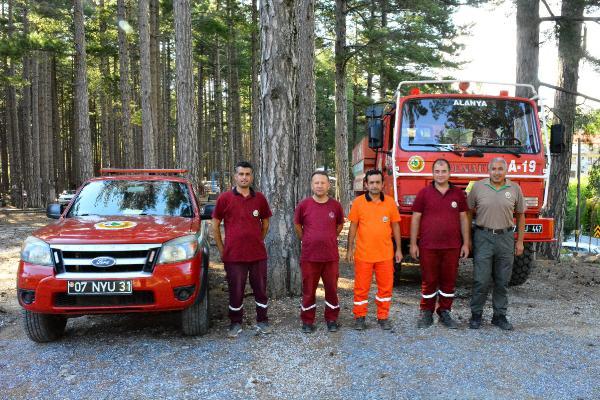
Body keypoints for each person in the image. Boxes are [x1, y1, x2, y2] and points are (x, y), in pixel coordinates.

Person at [212, 161, 273, 338]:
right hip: (234, 256)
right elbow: (215, 225)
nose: (244, 177)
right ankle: (235, 323)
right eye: (241, 174)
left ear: (252, 176)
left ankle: (262, 321)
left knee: (260, 289)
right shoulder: (225, 198)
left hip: (257, 255)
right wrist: (223, 249)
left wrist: (257, 239)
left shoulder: (260, 198)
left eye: (247, 174)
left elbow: (266, 223)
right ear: (235, 176)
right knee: (235, 290)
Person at [410, 159, 470, 329]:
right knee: (429, 280)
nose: (440, 174)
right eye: (437, 171)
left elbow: (464, 218)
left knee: (448, 281)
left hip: (452, 246)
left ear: (449, 173)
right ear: (433, 173)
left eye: (444, 171)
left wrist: (466, 243)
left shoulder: (458, 194)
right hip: (428, 246)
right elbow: (416, 218)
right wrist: (413, 244)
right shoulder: (424, 193)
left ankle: (444, 311)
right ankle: (426, 312)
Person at [467, 157, 525, 331]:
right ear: (489, 170)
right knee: (481, 280)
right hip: (483, 236)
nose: (497, 172)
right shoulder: (477, 187)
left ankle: (499, 316)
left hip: (506, 238)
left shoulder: (515, 189)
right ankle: (476, 315)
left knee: (502, 280)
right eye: (494, 169)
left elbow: (521, 215)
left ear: (506, 171)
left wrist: (520, 241)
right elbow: (468, 212)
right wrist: (468, 239)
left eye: (500, 169)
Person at [347, 169, 402, 330]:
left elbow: (396, 226)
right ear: (366, 184)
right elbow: (353, 226)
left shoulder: (390, 202)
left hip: (385, 255)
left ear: (382, 184)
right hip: (363, 255)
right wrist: (350, 249)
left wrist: (399, 249)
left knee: (385, 288)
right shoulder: (358, 203)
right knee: (361, 288)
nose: (375, 185)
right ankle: (359, 317)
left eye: (378, 182)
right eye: (371, 182)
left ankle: (383, 317)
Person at [294, 171, 345, 333]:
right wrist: (309, 239)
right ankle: (307, 321)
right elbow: (297, 226)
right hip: (310, 256)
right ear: (311, 185)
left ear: (328, 185)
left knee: (331, 289)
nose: (320, 186)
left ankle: (331, 319)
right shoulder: (304, 205)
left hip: (330, 257)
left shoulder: (335, 206)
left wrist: (327, 238)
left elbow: (339, 226)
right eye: (316, 183)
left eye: (323, 183)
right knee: (309, 290)